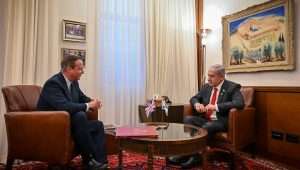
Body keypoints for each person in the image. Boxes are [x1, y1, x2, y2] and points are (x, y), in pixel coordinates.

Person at [37, 55, 108, 170]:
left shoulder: (73, 82)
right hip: (52, 126)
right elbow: (63, 106)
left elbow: (81, 97)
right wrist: (88, 106)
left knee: (97, 125)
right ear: (69, 69)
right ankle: (88, 160)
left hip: (69, 124)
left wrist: (92, 101)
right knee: (80, 115)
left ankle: (101, 162)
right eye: (79, 69)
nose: (83, 72)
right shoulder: (53, 84)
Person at [168, 64, 245, 168]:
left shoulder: (232, 87)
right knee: (188, 119)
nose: (208, 79)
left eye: (212, 76)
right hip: (206, 118)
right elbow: (194, 98)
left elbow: (239, 103)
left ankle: (191, 155)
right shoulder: (207, 87)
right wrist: (197, 104)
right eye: (208, 75)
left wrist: (216, 107)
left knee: (207, 127)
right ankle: (191, 154)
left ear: (221, 77)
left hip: (221, 121)